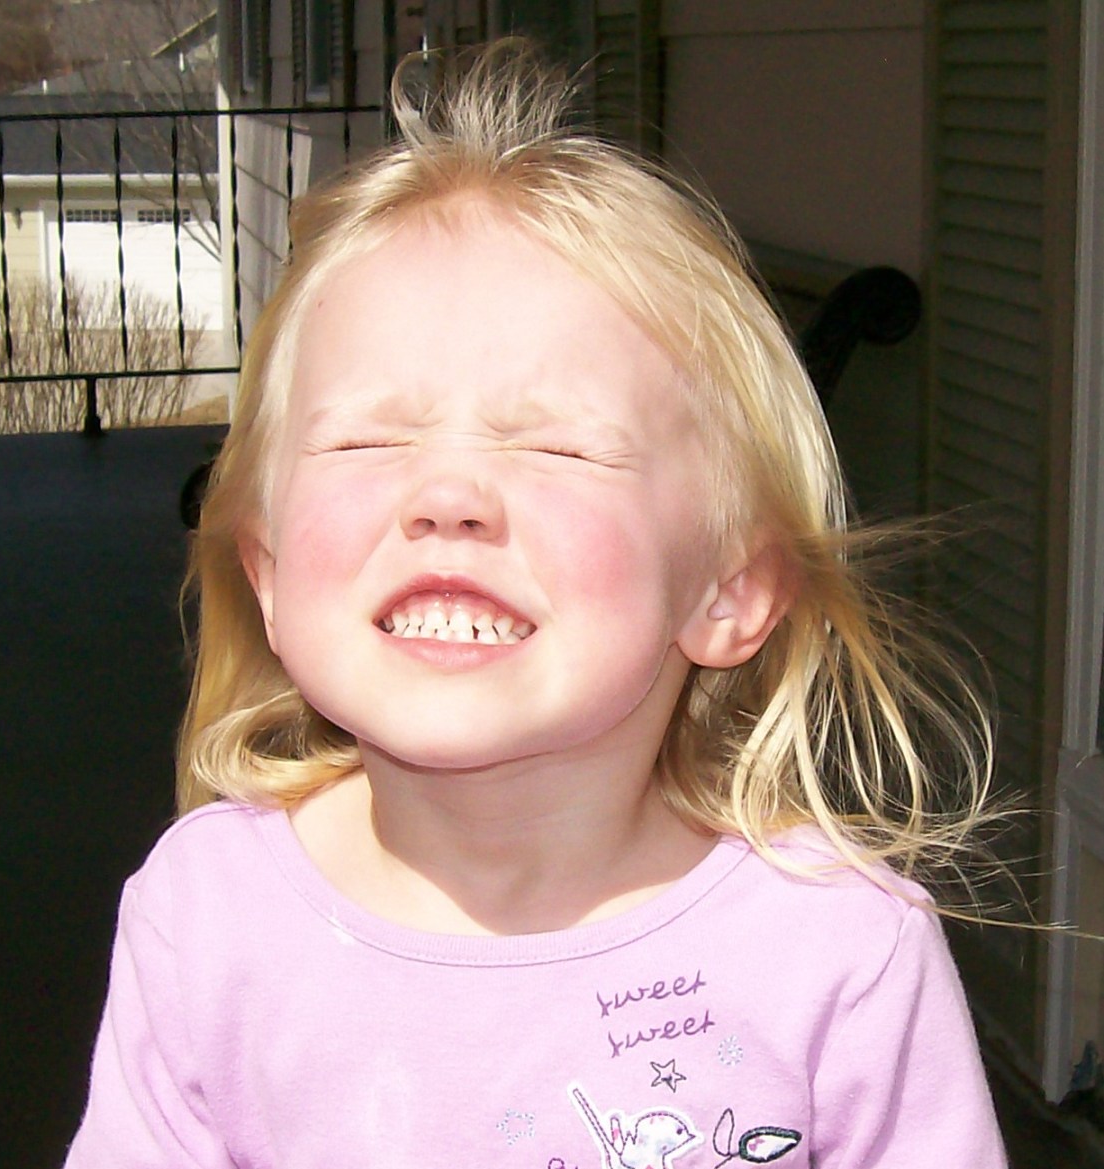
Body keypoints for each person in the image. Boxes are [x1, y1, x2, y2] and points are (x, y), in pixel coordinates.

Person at [65, 41, 1008, 1168]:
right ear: (266, 572)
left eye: (558, 446)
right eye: (367, 439)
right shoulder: (207, 919)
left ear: (727, 589)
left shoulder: (837, 956)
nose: (448, 494)